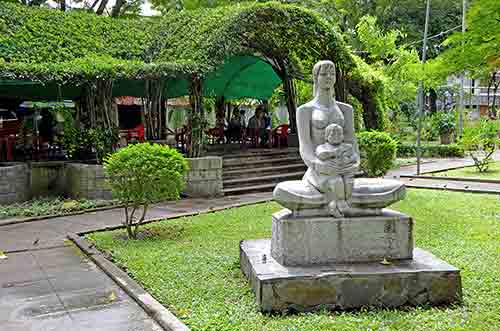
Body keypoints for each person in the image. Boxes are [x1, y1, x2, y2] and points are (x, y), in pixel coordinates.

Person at [315, 123, 357, 216]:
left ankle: (341, 203)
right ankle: (339, 203)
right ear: (326, 136)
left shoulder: (347, 147)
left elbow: (354, 157)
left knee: (349, 183)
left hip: (346, 172)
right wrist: (334, 153)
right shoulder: (322, 147)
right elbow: (321, 154)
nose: (336, 136)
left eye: (339, 134)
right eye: (333, 134)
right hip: (330, 176)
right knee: (337, 182)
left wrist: (348, 160)